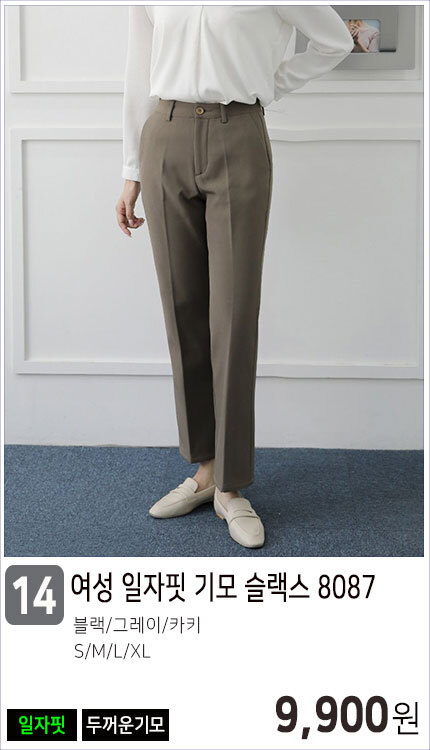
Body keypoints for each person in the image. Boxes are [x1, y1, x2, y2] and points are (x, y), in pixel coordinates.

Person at [116, 5, 353, 549]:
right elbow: (137, 71)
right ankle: (204, 471)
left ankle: (231, 485)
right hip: (164, 136)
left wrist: (266, 85)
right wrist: (130, 169)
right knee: (182, 309)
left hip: (238, 134)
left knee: (233, 315)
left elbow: (335, 40)